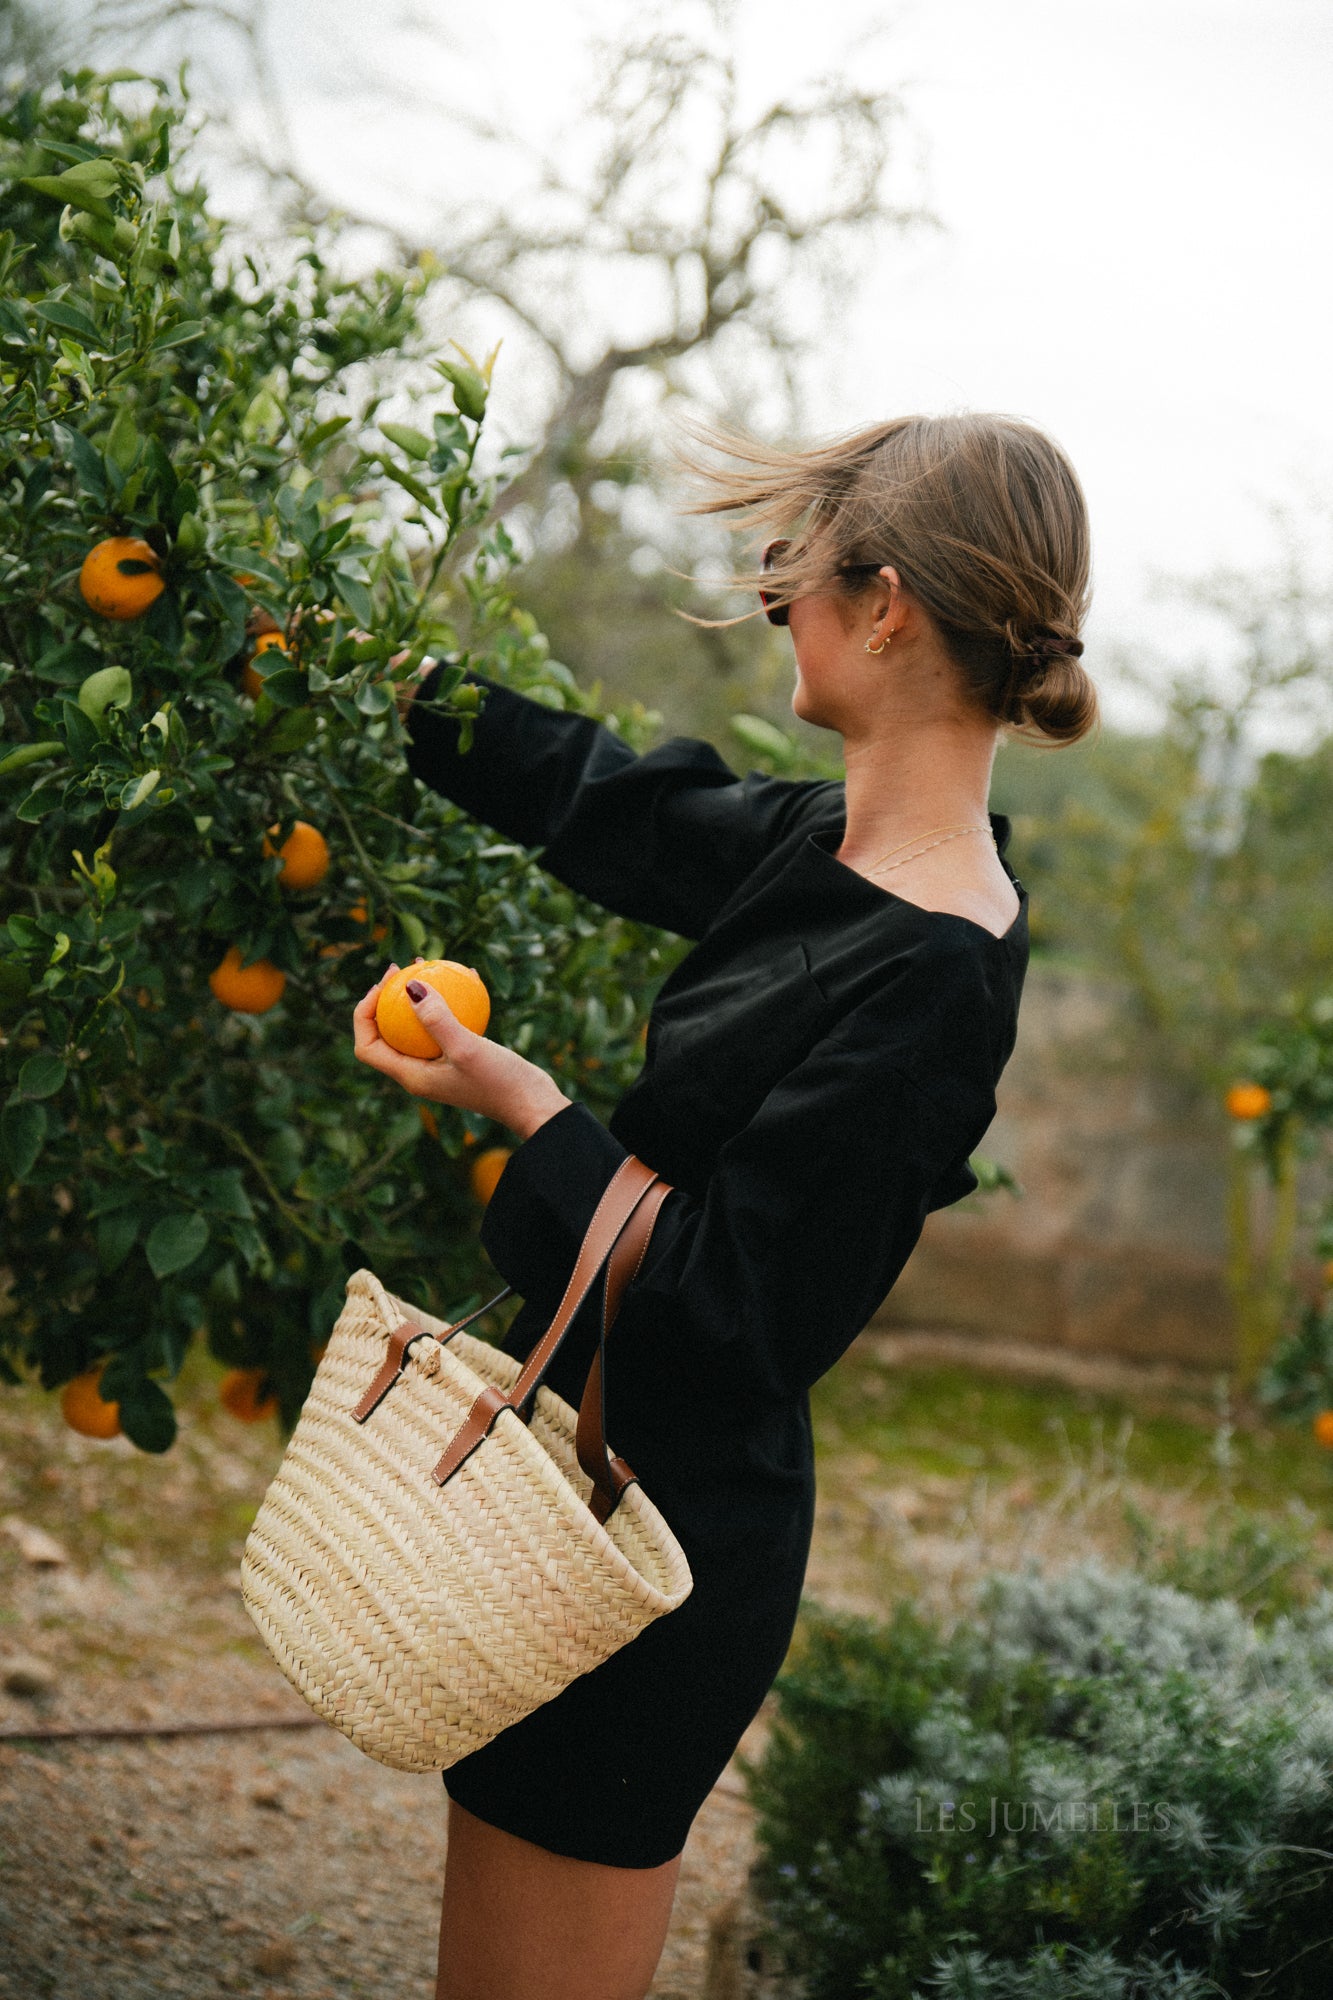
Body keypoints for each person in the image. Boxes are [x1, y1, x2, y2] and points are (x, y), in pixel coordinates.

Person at [352, 412, 1095, 2000]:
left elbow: (732, 1313)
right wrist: (382, 688)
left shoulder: (934, 975)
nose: (779, 615)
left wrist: (522, 1105)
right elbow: (613, 802)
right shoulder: (829, 848)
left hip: (657, 1549)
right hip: (583, 1487)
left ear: (882, 605)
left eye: (787, 587)